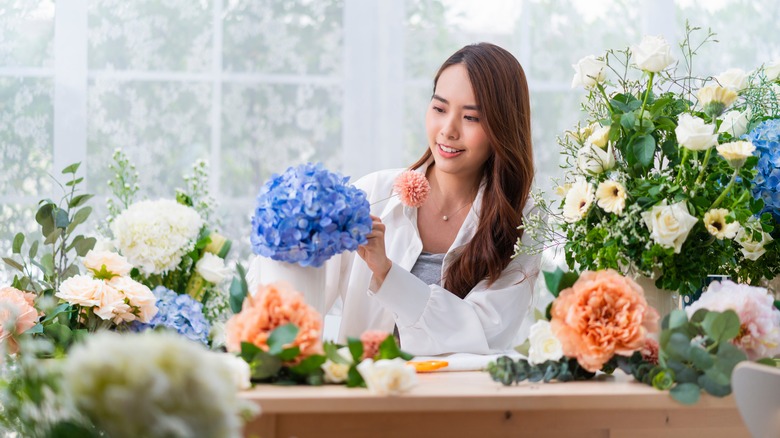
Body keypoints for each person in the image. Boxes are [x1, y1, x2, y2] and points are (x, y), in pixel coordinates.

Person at [250, 42, 541, 356]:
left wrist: (386, 271)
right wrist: (291, 231)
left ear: (503, 125)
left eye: (470, 118)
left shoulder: (523, 220)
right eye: (439, 108)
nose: (448, 130)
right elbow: (294, 305)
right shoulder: (373, 194)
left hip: (463, 399)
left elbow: (484, 335)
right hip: (370, 396)